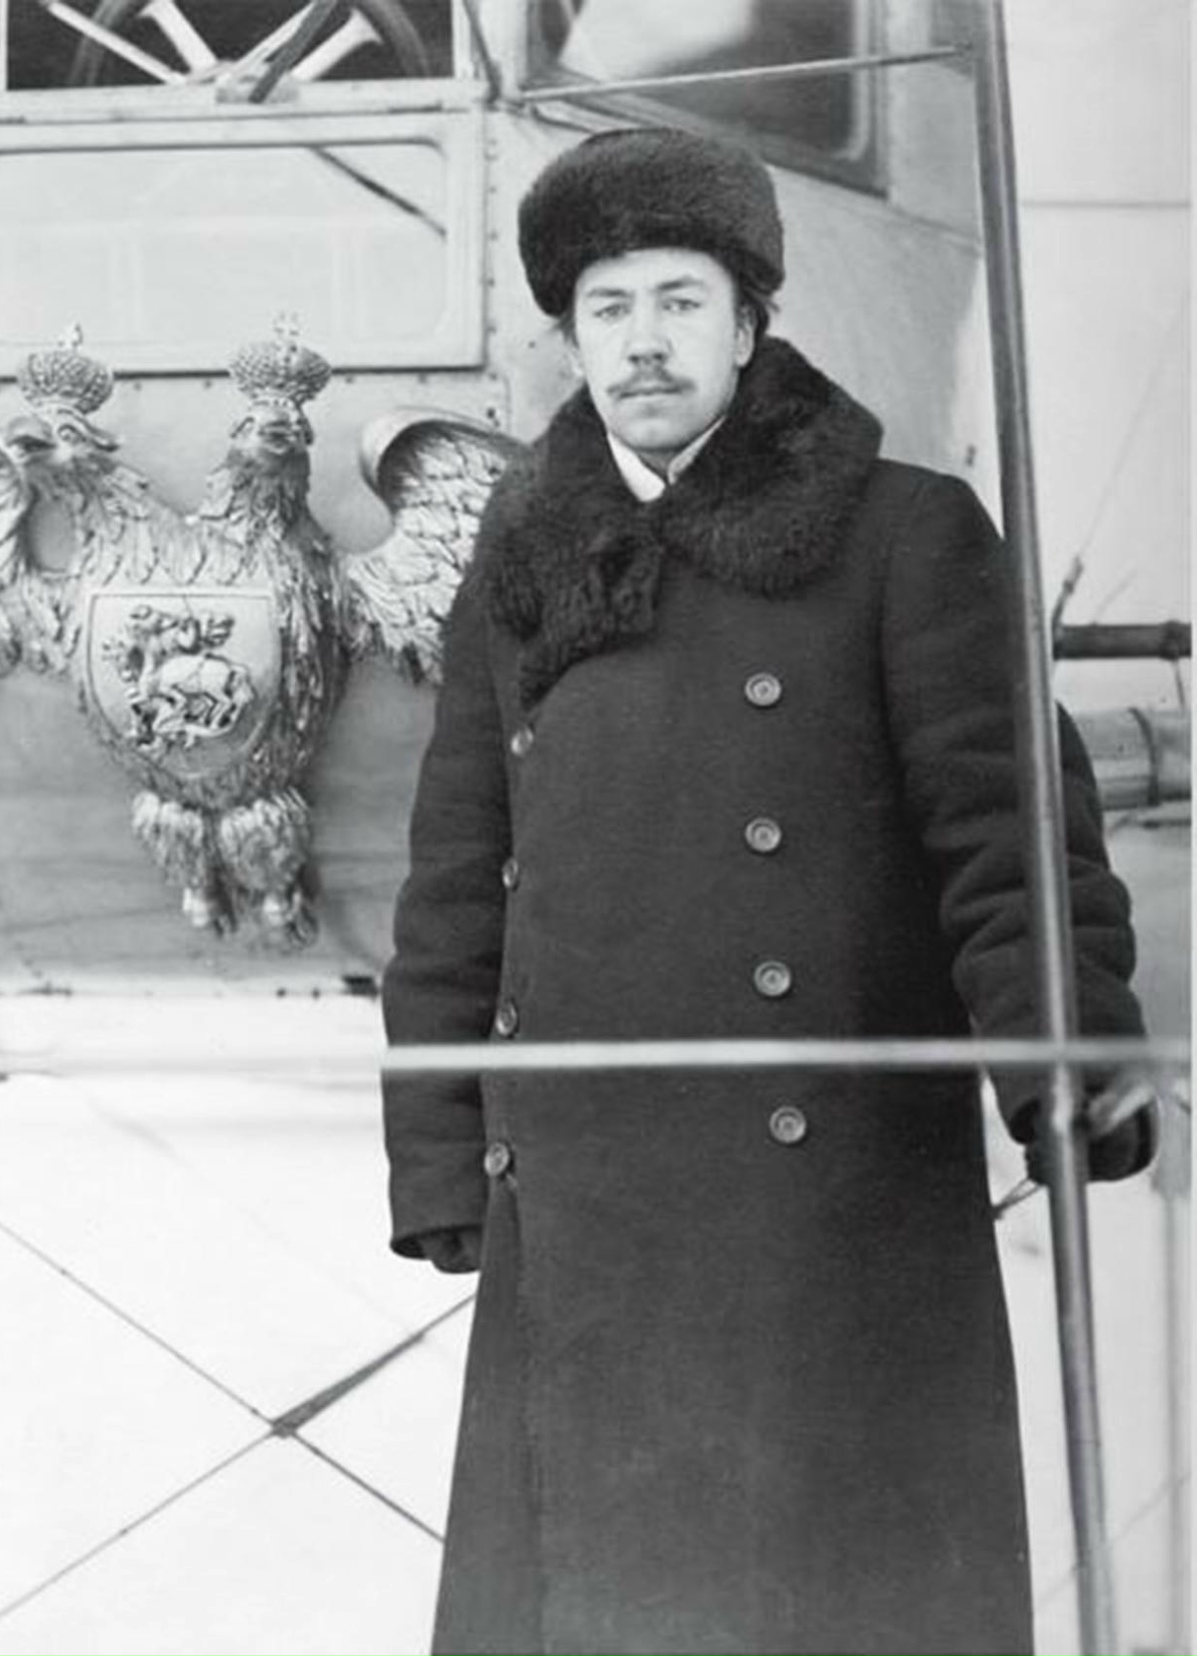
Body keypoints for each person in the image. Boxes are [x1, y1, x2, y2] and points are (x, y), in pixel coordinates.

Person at [380, 127, 1155, 1656]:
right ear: (570, 335)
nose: (644, 341)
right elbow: (462, 872)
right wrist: (436, 1155)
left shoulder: (904, 532)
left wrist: (1068, 1062)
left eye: (681, 301)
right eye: (609, 307)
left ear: (749, 324)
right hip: (582, 1203)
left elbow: (1006, 834)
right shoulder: (522, 560)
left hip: (832, 1213)